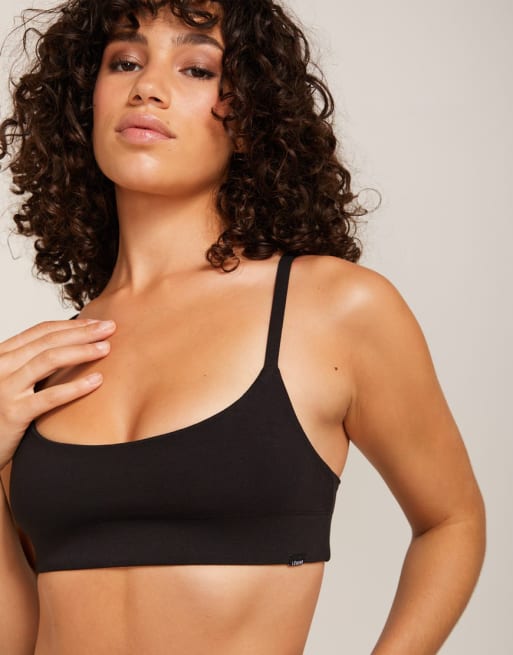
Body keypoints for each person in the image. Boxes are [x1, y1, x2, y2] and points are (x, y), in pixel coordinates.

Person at [0, 1, 485, 653]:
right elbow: (18, 633)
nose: (148, 86)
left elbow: (451, 521)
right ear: (82, 103)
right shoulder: (47, 365)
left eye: (197, 69)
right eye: (125, 62)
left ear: (252, 118)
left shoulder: (332, 307)